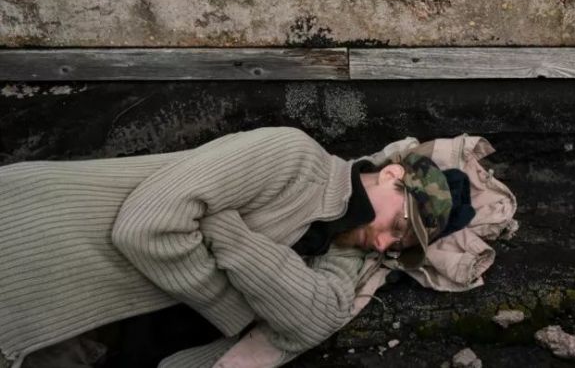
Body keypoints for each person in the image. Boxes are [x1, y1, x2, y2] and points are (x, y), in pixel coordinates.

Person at [0, 126, 474, 368]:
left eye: (401, 243)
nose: (387, 241)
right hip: (37, 244)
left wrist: (226, 232)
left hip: (88, 331)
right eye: (399, 222)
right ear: (392, 174)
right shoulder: (294, 158)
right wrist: (237, 306)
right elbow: (145, 227)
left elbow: (311, 321)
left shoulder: (346, 254)